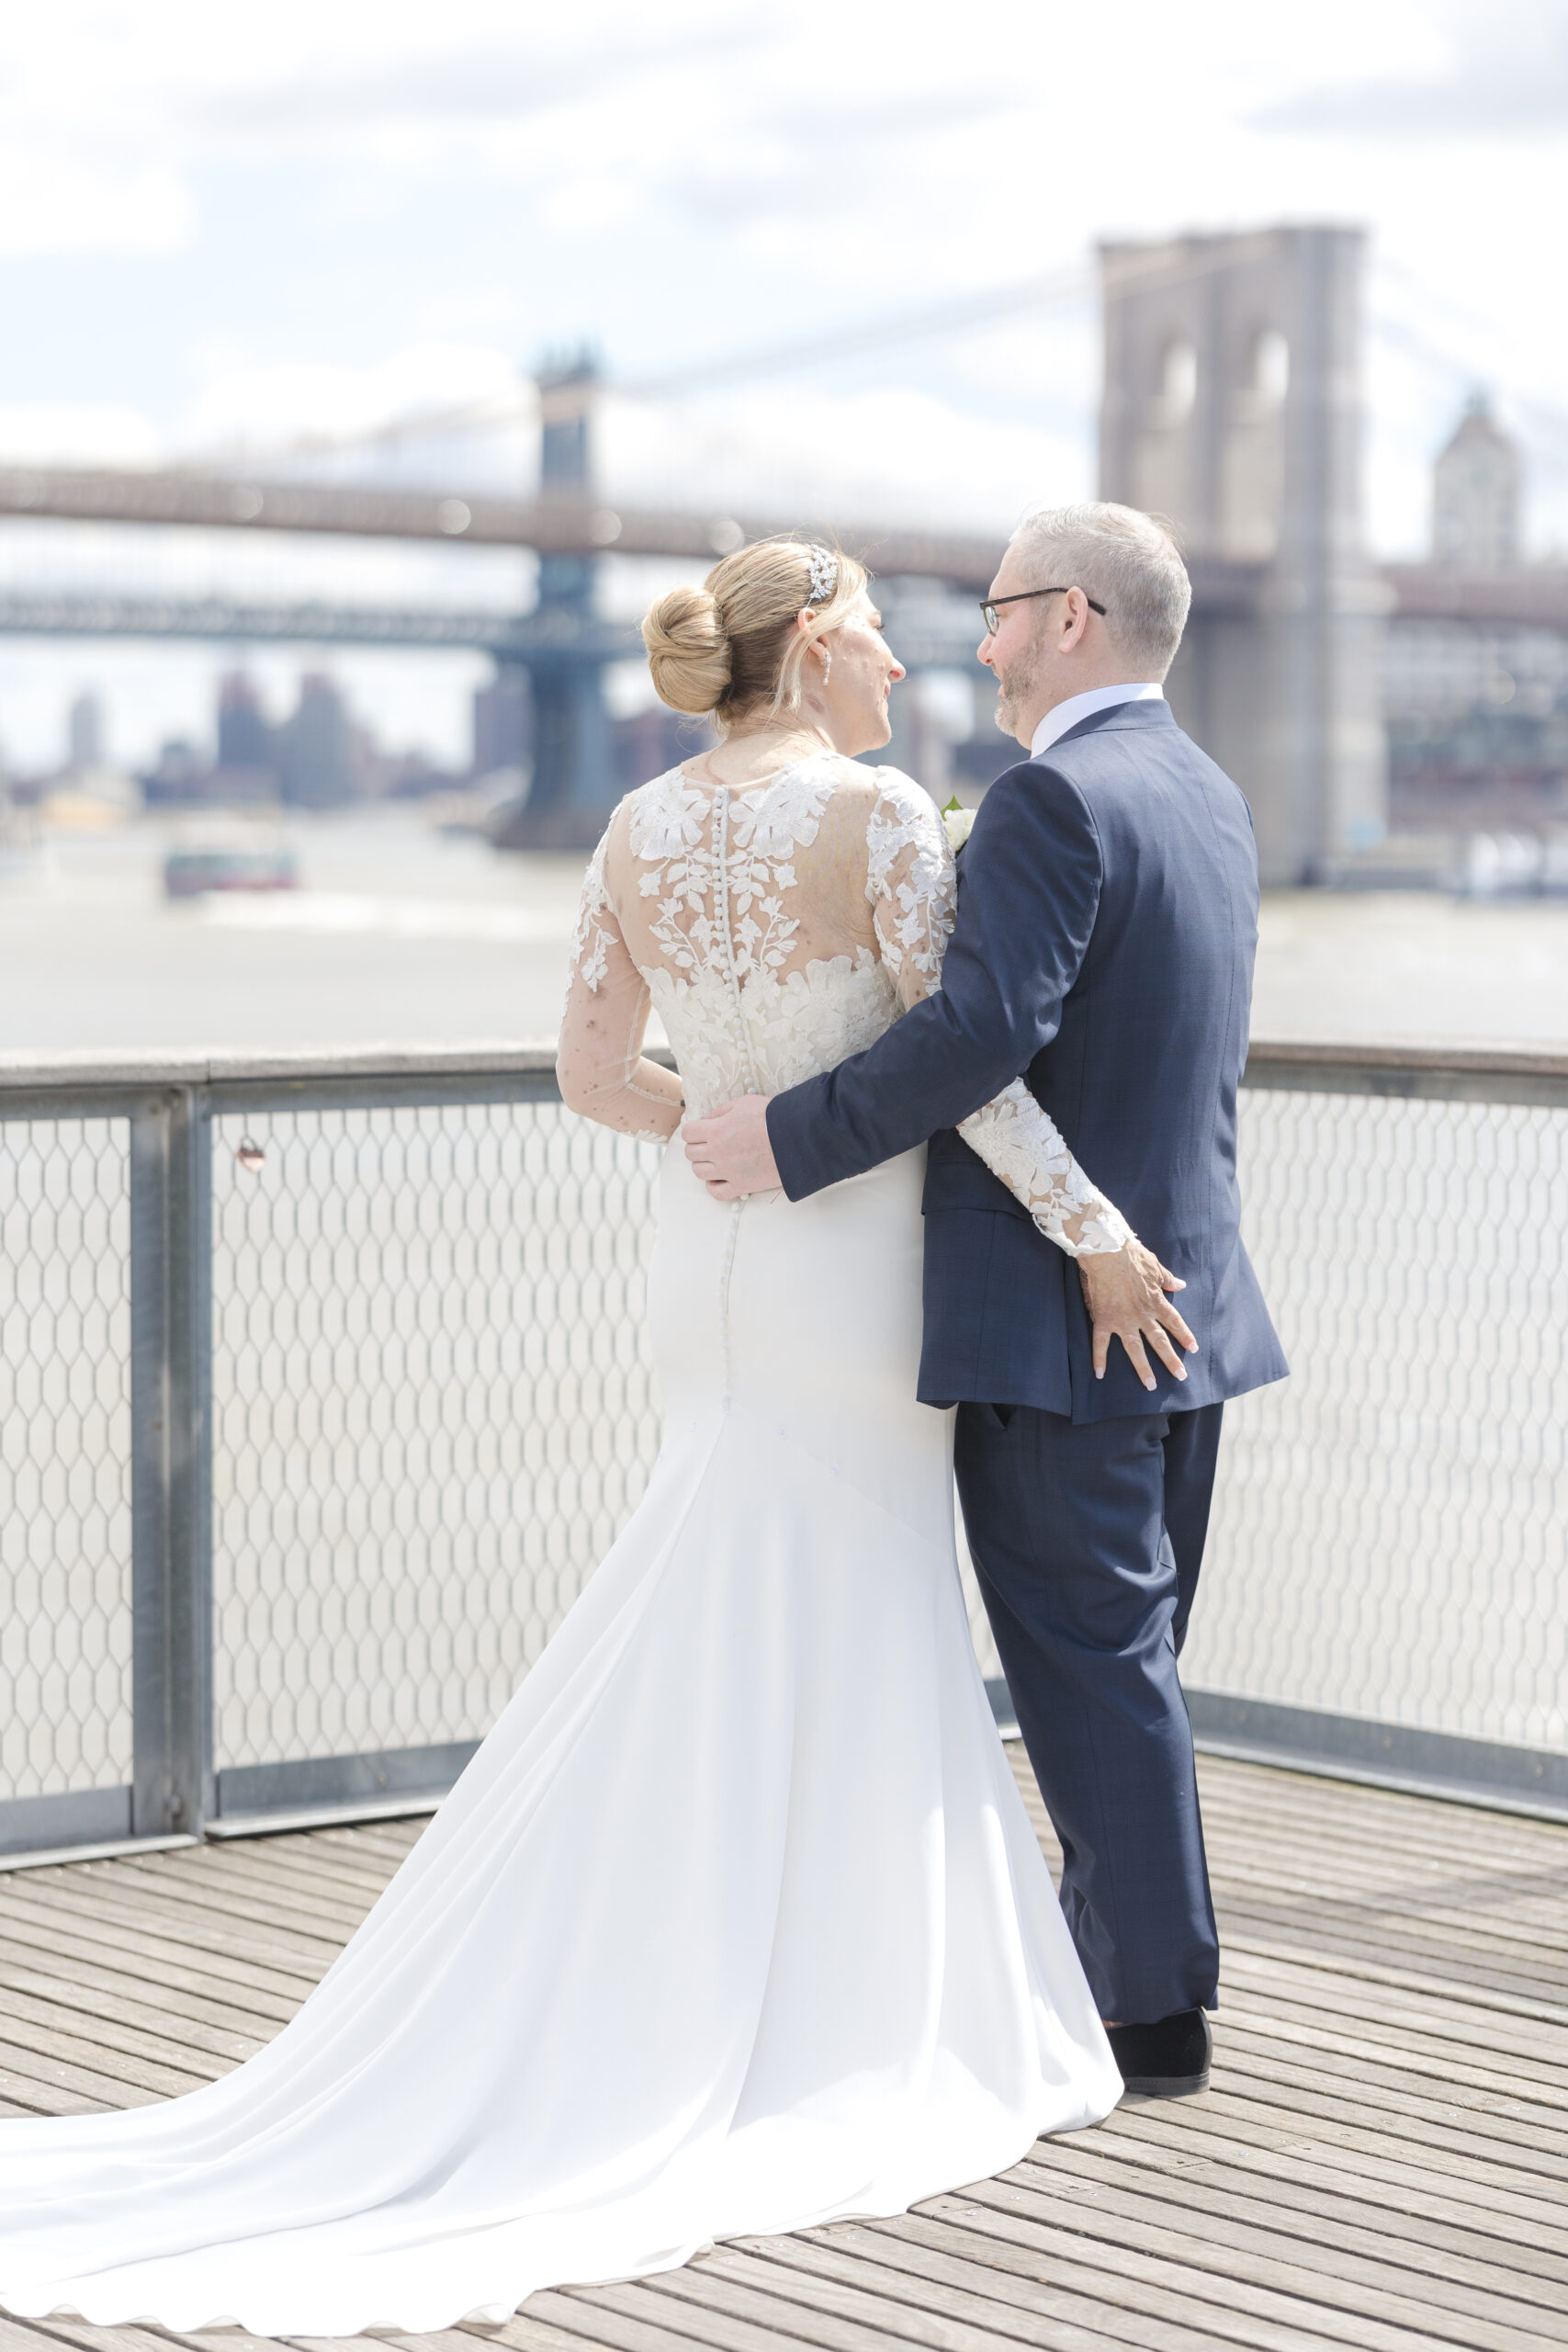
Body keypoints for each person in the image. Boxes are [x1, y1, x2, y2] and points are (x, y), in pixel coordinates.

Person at [0, 536, 1140, 2340]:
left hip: (700, 1257)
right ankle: (834, 2007)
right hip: (842, 1262)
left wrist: (725, 1118)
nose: (903, 674)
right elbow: (964, 1071)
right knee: (847, 1609)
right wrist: (1091, 1227)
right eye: (876, 642)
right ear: (821, 647)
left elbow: (592, 1074)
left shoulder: (635, 826)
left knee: (717, 1580)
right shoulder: (882, 820)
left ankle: (682, 1973)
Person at [686, 503, 1289, 2098]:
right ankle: (1119, 1975)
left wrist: (783, 1136)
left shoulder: (1045, 802)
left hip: (1063, 1319)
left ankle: (1148, 2019)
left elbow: (977, 1038)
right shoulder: (1211, 796)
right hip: (1190, 1307)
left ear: (1073, 617)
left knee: (1094, 1672)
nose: (984, 638)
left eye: (1006, 610)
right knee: (1131, 1665)